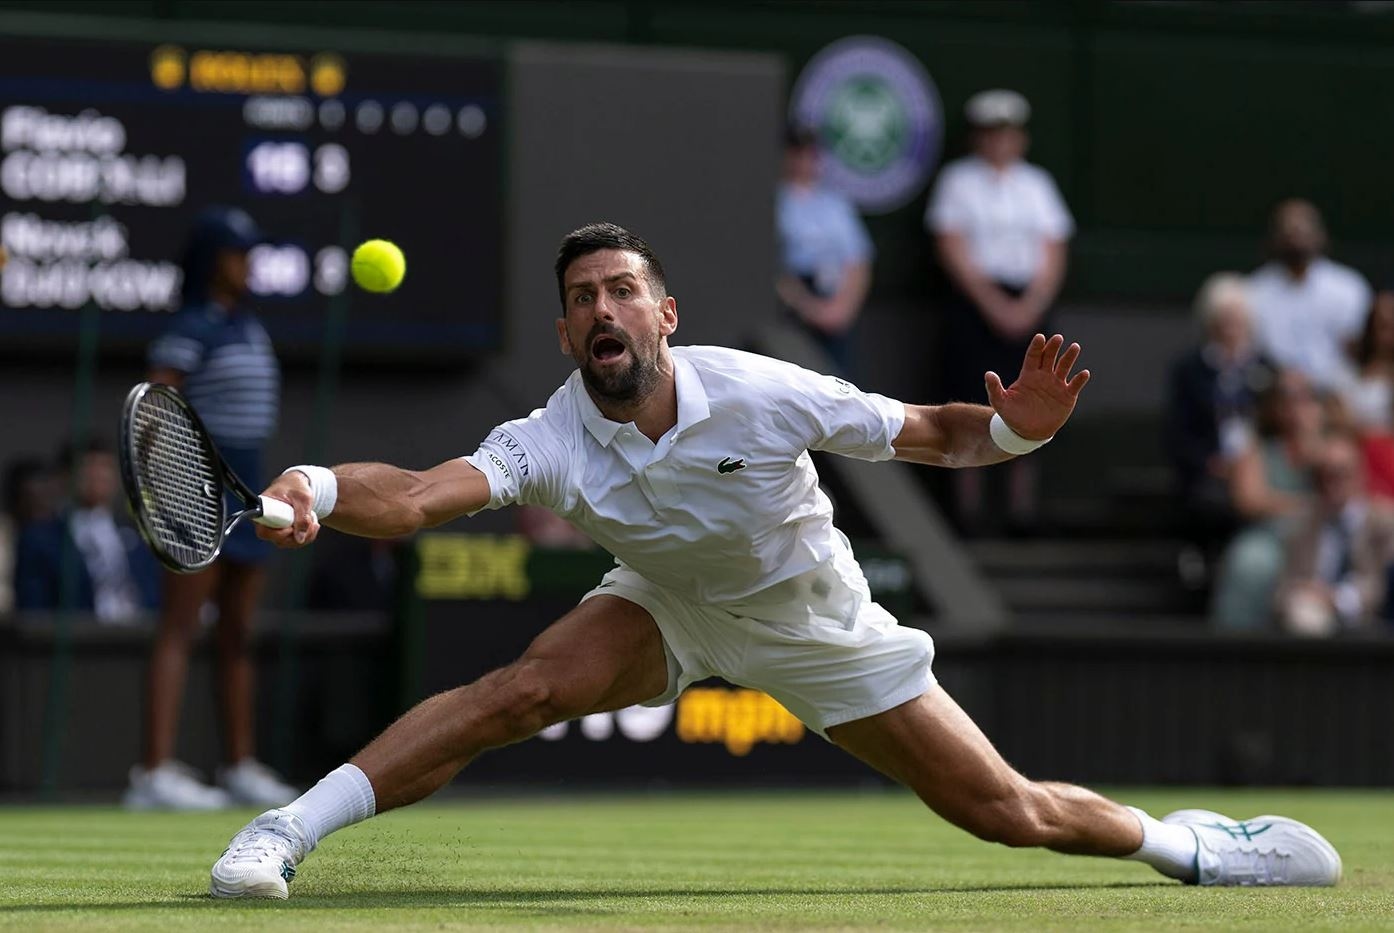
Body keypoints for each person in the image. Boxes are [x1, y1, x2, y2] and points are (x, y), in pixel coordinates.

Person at [209, 223, 1339, 899]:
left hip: (813, 623)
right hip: (666, 604)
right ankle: (283, 832)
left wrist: (1017, 431)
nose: (600, 310)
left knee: (1007, 813)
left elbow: (934, 432)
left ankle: (1189, 846)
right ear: (566, 337)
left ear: (662, 314)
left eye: (618, 291)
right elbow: (409, 499)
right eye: (579, 301)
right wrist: (309, 489)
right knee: (517, 694)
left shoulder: (760, 390)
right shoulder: (549, 433)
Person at [124, 207, 297, 811]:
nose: (247, 264)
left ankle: (239, 766)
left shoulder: (247, 326)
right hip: (196, 494)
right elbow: (156, 413)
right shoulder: (190, 327)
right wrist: (163, 490)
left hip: (252, 495)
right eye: (237, 253)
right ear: (211, 261)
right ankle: (152, 774)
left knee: (237, 635)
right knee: (179, 628)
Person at [924, 89, 1073, 533]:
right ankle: (968, 508)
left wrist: (1030, 305)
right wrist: (993, 304)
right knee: (971, 399)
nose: (1000, 143)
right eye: (991, 134)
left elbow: (1053, 250)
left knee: (1034, 399)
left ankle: (1020, 509)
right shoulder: (958, 181)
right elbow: (952, 247)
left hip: (1028, 307)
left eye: (1008, 134)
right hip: (976, 307)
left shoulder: (1037, 184)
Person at [1164, 273, 1275, 554]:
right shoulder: (1190, 370)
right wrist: (1209, 462)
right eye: (1224, 319)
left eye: (1237, 319)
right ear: (1210, 322)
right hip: (1209, 469)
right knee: (1209, 503)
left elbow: (1279, 424)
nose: (1231, 328)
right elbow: (1178, 430)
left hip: (1260, 468)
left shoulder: (1268, 368)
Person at [1208, 369, 1325, 630]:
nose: (1294, 407)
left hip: (1319, 542)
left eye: (1305, 397)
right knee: (1250, 563)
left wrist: (1310, 437)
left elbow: (1340, 492)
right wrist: (1305, 505)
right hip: (1268, 541)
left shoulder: (1327, 449)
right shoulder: (1256, 448)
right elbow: (1249, 500)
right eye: (1286, 398)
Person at [13, 440, 156, 620]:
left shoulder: (137, 536)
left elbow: (153, 596)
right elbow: (33, 611)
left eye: (105, 467)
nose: (98, 476)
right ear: (64, 476)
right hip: (81, 641)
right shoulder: (40, 538)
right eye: (88, 467)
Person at [775, 125, 874, 378]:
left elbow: (858, 260)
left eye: (811, 154)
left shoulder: (835, 202)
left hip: (834, 297)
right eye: (797, 154)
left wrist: (840, 309)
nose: (804, 161)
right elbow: (773, 265)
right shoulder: (776, 200)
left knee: (837, 382)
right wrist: (807, 307)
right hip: (794, 306)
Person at [1247, 199, 1371, 394]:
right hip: (1274, 396)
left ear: (1320, 235)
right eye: (1288, 232)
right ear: (1275, 237)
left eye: (1302, 230)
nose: (1295, 238)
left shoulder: (1349, 287)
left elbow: (1360, 352)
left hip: (1339, 396)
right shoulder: (1254, 291)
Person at [1277, 432, 1394, 635]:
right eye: (1325, 474)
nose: (1333, 482)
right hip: (1312, 618)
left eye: (1342, 472)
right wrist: (1302, 592)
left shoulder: (1385, 522)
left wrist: (1337, 598)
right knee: (1304, 613)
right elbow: (1281, 590)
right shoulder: (1303, 524)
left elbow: (1383, 586)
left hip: (1370, 620)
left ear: (1360, 473)